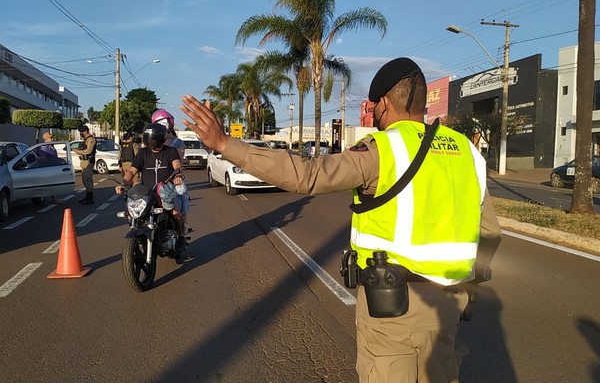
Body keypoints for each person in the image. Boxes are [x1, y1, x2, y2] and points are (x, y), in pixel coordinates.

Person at [180, 57, 502, 383]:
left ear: (385, 104)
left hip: (395, 311)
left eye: (375, 104)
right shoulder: (467, 152)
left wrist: (224, 143)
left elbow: (309, 175)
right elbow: (489, 232)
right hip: (450, 310)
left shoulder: (383, 148)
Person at [115, 123, 188, 243]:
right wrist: (123, 183)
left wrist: (178, 175)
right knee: (131, 213)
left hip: (166, 190)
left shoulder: (170, 151)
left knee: (175, 213)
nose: (151, 141)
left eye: (153, 138)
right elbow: (132, 170)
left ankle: (181, 236)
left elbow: (177, 164)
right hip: (146, 193)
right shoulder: (143, 153)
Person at [151, 109, 190, 231]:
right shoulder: (151, 143)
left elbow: (178, 162)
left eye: (165, 122)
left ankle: (182, 231)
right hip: (154, 183)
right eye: (159, 123)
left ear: (170, 123)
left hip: (172, 182)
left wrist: (177, 176)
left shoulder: (178, 143)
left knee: (180, 204)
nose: (163, 125)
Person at [73, 125, 97, 205]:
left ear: (86, 131)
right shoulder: (86, 139)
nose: (81, 133)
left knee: (88, 180)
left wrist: (78, 151)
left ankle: (90, 198)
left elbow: (88, 151)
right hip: (84, 161)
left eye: (81, 132)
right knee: (84, 180)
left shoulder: (91, 139)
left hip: (88, 161)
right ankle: (87, 197)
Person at [39, 131, 62, 203]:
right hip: (49, 168)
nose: (53, 139)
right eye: (51, 138)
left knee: (54, 183)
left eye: (52, 137)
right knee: (51, 184)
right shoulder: (44, 148)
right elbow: (42, 158)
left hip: (53, 167)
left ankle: (55, 197)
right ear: (46, 139)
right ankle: (55, 198)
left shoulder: (51, 146)